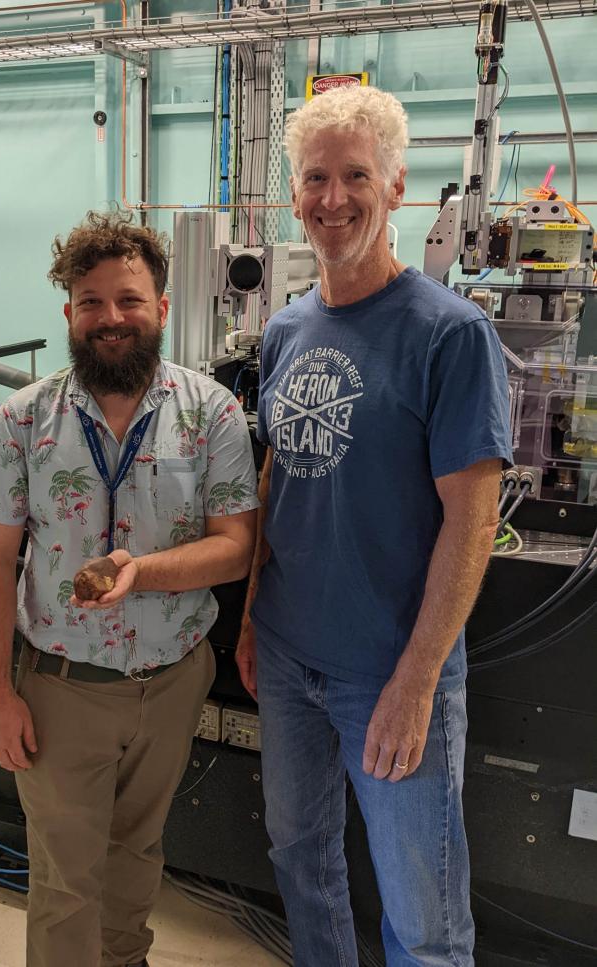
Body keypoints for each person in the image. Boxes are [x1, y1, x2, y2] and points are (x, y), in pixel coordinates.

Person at [236, 86, 513, 966]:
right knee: (300, 861)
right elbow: (279, 476)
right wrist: (249, 616)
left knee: (423, 915)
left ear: (396, 186)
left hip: (389, 671)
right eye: (316, 178)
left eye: (356, 174)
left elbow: (474, 518)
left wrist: (417, 679)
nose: (333, 198)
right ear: (294, 197)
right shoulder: (284, 329)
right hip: (287, 657)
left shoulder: (449, 334)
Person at [0, 211, 259, 967]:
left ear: (160, 307)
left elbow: (236, 549)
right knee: (65, 883)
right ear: (69, 314)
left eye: (128, 300)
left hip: (170, 683)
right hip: (62, 688)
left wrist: (142, 573)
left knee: (136, 860)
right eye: (91, 302)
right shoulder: (23, 421)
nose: (110, 318)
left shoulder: (212, 413)